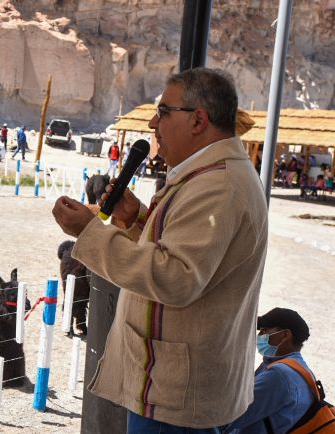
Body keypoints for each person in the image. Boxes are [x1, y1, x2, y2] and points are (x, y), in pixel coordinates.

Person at [51, 68, 268, 432]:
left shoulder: (219, 186)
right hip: (171, 384)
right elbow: (184, 253)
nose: (153, 123)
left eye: (164, 112)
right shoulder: (208, 177)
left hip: (176, 396)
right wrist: (136, 218)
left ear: (198, 119)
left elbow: (175, 277)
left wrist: (88, 233)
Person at [224, 308, 314, 434]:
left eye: (265, 330)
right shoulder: (300, 370)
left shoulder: (279, 375)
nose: (259, 336)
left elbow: (229, 416)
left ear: (285, 335)